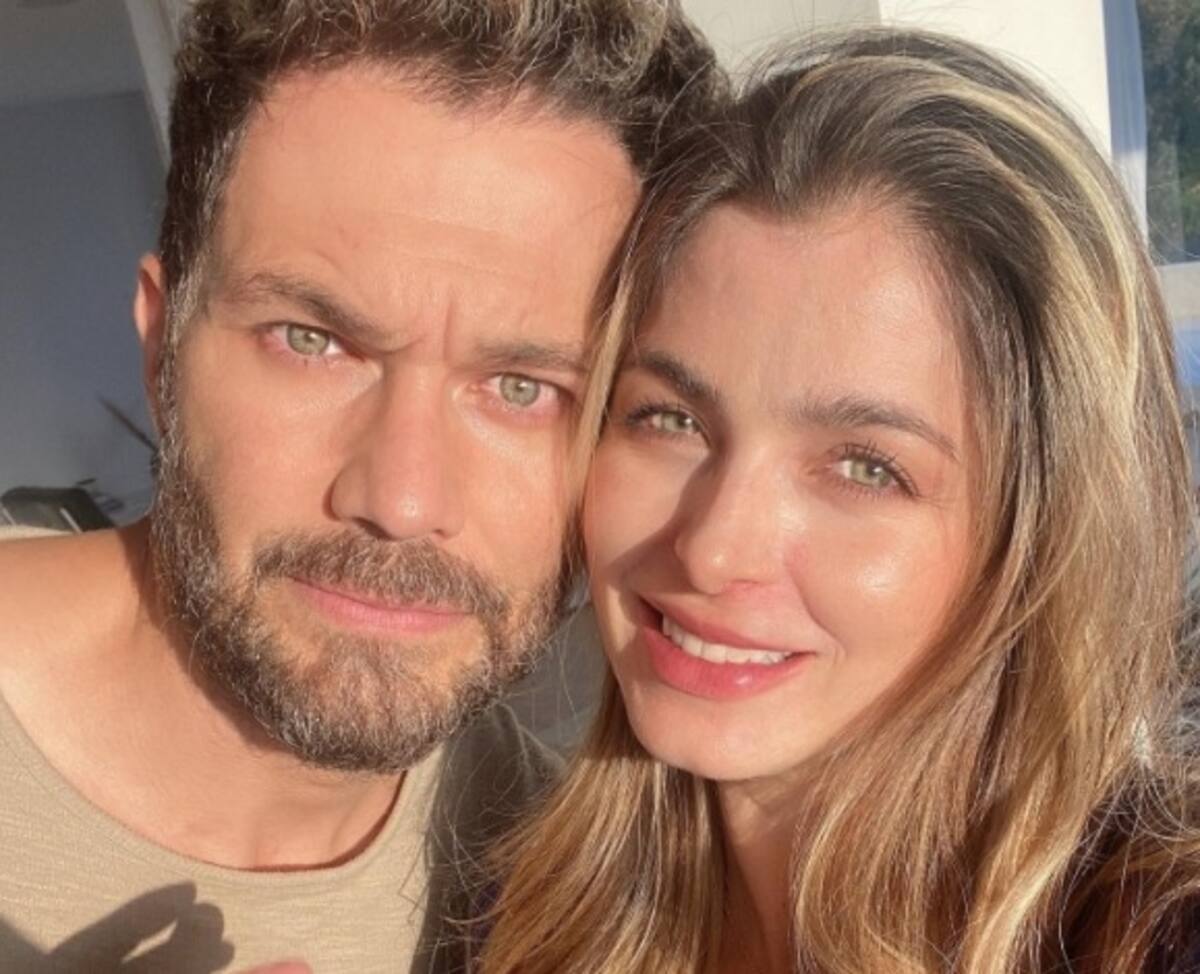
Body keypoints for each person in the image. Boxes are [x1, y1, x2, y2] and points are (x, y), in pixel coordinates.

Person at [0, 1, 721, 971]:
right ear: (162, 348)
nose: (401, 499)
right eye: (312, 341)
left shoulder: (570, 893)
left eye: (525, 388)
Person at [481, 28, 1200, 974]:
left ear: (1043, 538)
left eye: (865, 468)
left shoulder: (1149, 939)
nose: (713, 550)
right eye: (670, 419)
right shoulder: (519, 920)